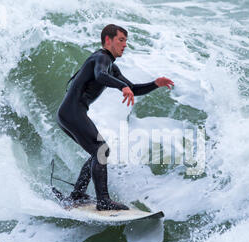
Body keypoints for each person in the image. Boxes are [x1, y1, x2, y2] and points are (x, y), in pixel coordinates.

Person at [56, 24, 174, 211]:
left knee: (97, 152)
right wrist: (121, 87)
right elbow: (100, 75)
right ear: (108, 40)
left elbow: (133, 88)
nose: (125, 44)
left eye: (126, 40)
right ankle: (103, 201)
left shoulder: (112, 67)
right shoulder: (100, 58)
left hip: (68, 114)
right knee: (101, 150)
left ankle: (78, 194)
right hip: (72, 112)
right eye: (121, 40)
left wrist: (155, 84)